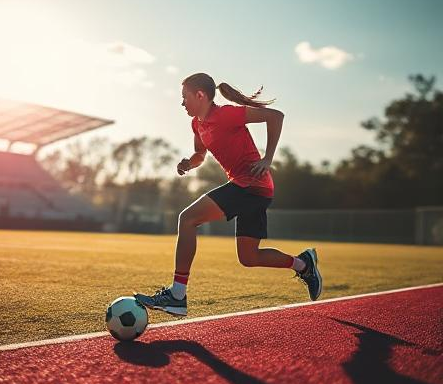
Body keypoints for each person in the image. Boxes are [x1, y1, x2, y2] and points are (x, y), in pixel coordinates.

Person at [135, 72, 322, 316]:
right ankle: (303, 263)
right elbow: (200, 155)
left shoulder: (226, 114)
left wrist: (268, 158)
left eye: (185, 97)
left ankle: (177, 295)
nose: (182, 103)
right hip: (254, 190)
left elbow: (276, 116)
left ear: (200, 95)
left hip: (251, 185)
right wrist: (189, 164)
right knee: (249, 257)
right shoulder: (197, 124)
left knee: (187, 218)